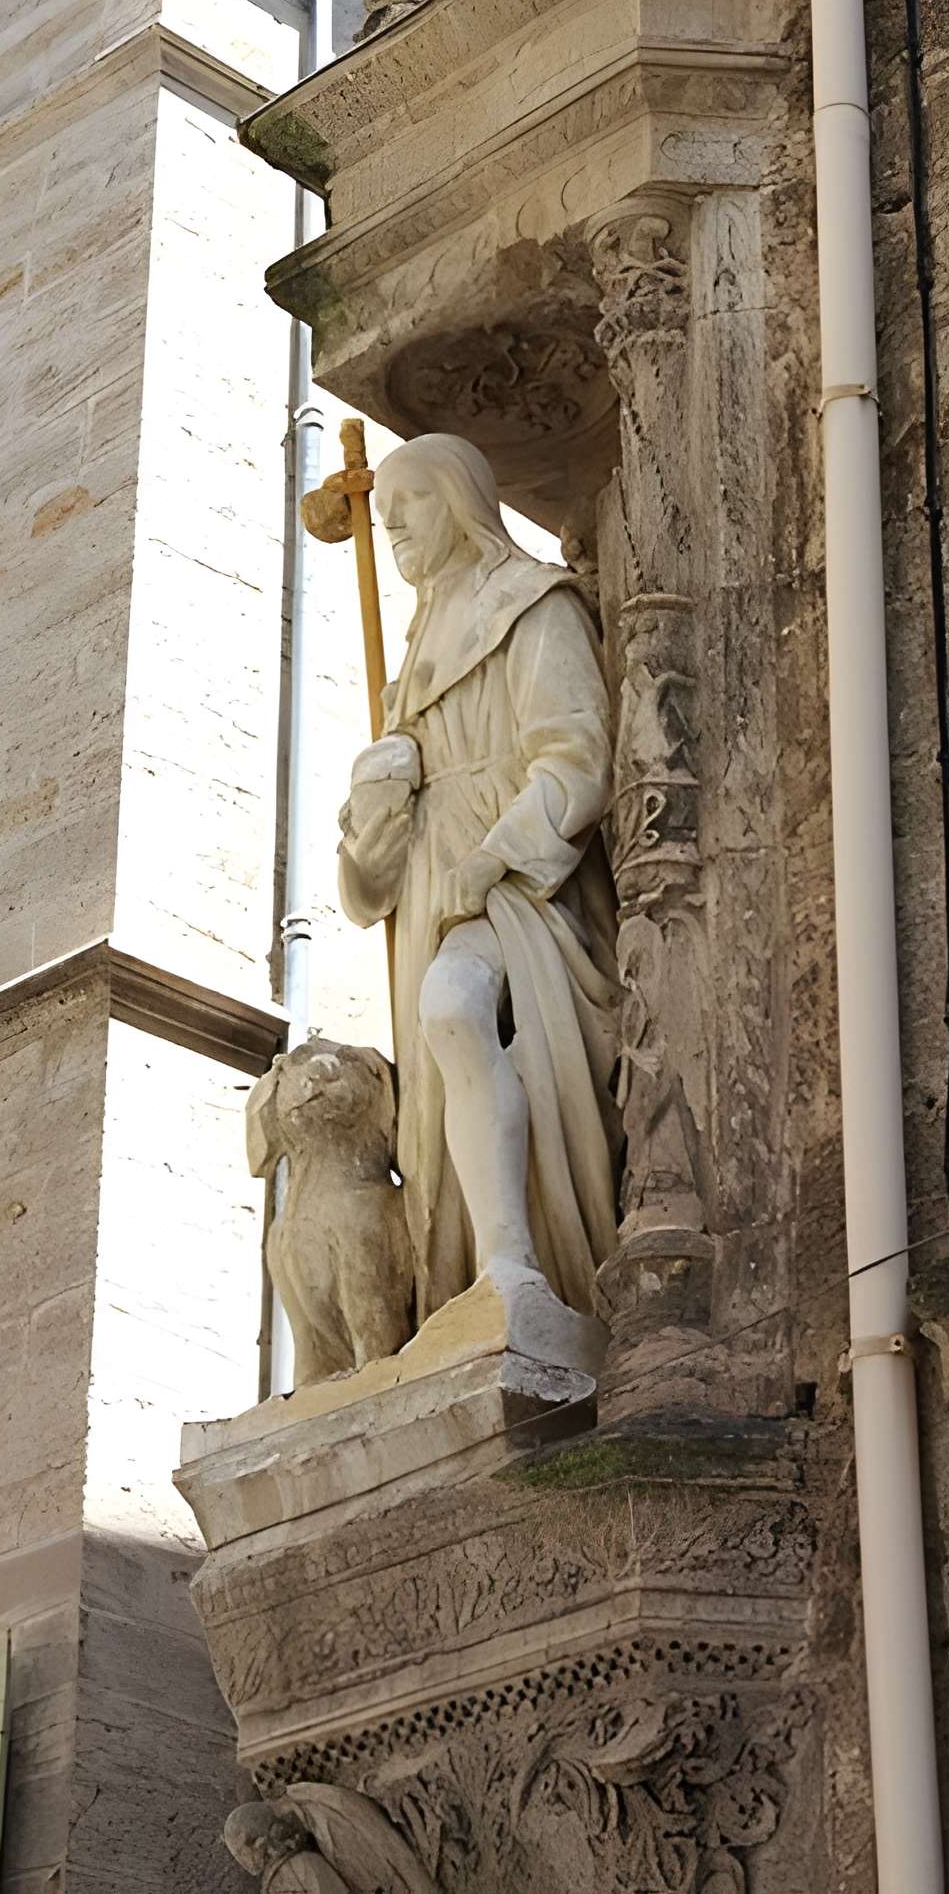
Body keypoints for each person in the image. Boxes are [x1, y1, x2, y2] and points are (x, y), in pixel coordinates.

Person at [338, 433, 621, 1324]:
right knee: (440, 1055)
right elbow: (365, 891)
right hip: (434, 894)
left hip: (522, 885)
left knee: (456, 1008)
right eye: (382, 518)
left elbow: (576, 759)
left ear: (457, 500)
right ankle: (475, 1279)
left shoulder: (533, 607)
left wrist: (494, 856)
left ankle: (516, 1271)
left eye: (408, 506)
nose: (392, 530)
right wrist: (377, 811)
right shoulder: (411, 663)